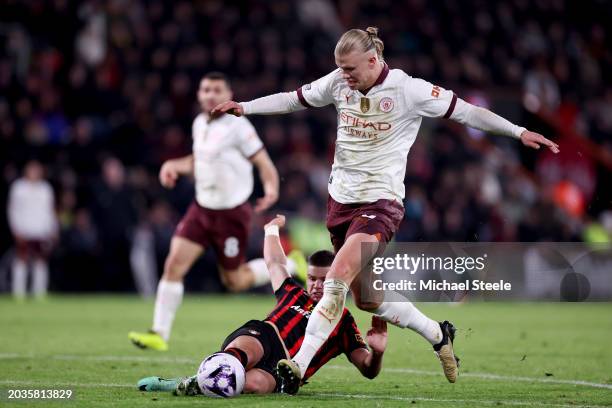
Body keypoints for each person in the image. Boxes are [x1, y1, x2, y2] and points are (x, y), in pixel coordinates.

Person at [213, 27, 560, 392]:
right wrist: (245, 107)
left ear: (373, 60)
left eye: (350, 69)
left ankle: (297, 364)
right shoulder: (338, 83)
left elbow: (468, 112)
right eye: (340, 69)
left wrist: (519, 132)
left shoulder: (409, 90)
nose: (344, 76)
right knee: (368, 299)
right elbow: (292, 99)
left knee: (337, 276)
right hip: (340, 205)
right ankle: (438, 333)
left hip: (381, 204)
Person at [129, 72, 302, 351]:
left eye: (217, 90)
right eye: (206, 89)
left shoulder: (239, 126)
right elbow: (199, 160)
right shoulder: (200, 123)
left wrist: (271, 189)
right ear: (199, 94)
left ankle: (291, 264)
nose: (210, 95)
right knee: (173, 266)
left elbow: (264, 162)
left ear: (227, 93)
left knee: (234, 281)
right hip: (201, 210)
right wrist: (174, 164)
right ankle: (159, 333)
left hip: (231, 216)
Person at [137, 214, 387, 395]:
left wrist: (377, 352)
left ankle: (193, 383)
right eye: (312, 278)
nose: (317, 285)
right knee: (245, 353)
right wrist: (271, 230)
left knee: (253, 386)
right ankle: (187, 381)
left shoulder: (343, 322)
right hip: (264, 336)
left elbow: (368, 370)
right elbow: (275, 264)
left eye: (325, 279)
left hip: (284, 370)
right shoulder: (293, 293)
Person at [7, 160, 58, 299]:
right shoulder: (18, 187)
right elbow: (13, 210)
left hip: (41, 230)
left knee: (40, 261)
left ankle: (39, 292)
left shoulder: (45, 188)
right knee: (21, 260)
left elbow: (50, 210)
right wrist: (15, 228)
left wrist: (53, 228)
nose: (34, 173)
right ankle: (18, 292)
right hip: (24, 229)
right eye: (32, 169)